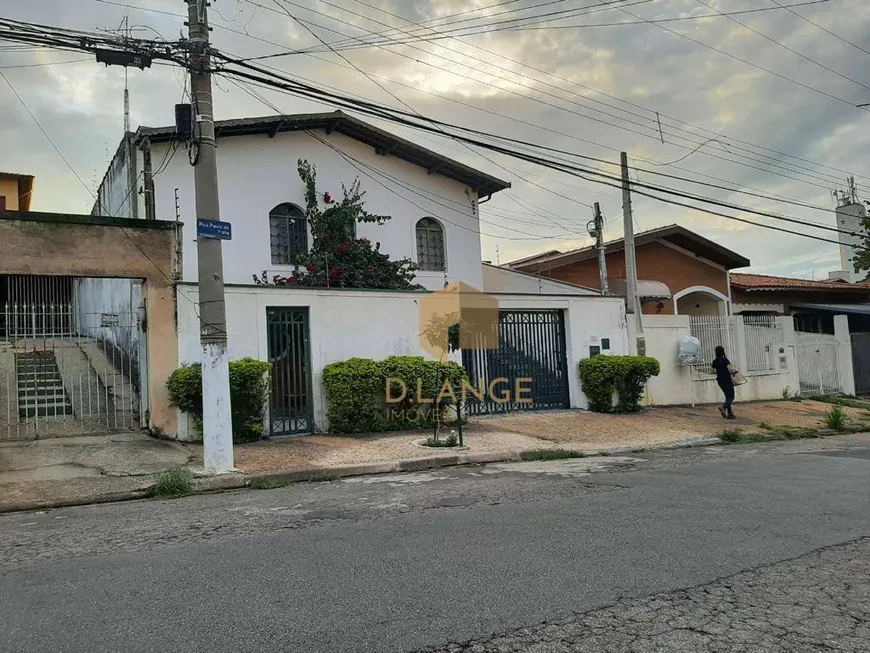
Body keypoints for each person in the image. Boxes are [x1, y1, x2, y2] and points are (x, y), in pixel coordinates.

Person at [712, 345, 736, 419]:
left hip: (720, 381)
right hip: (727, 380)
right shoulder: (725, 360)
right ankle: (723, 406)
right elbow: (731, 370)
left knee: (727, 396)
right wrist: (734, 373)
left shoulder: (715, 361)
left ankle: (730, 414)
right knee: (731, 397)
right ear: (723, 351)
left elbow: (713, 369)